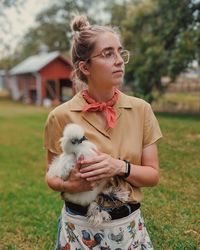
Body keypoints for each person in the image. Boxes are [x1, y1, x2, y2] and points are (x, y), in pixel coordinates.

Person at [44, 14, 162, 250]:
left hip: (128, 229)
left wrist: (119, 166)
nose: (119, 61)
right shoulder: (60, 116)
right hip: (79, 230)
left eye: (120, 52)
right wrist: (71, 186)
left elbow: (153, 175)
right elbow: (51, 176)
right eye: (108, 54)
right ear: (84, 67)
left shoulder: (141, 110)